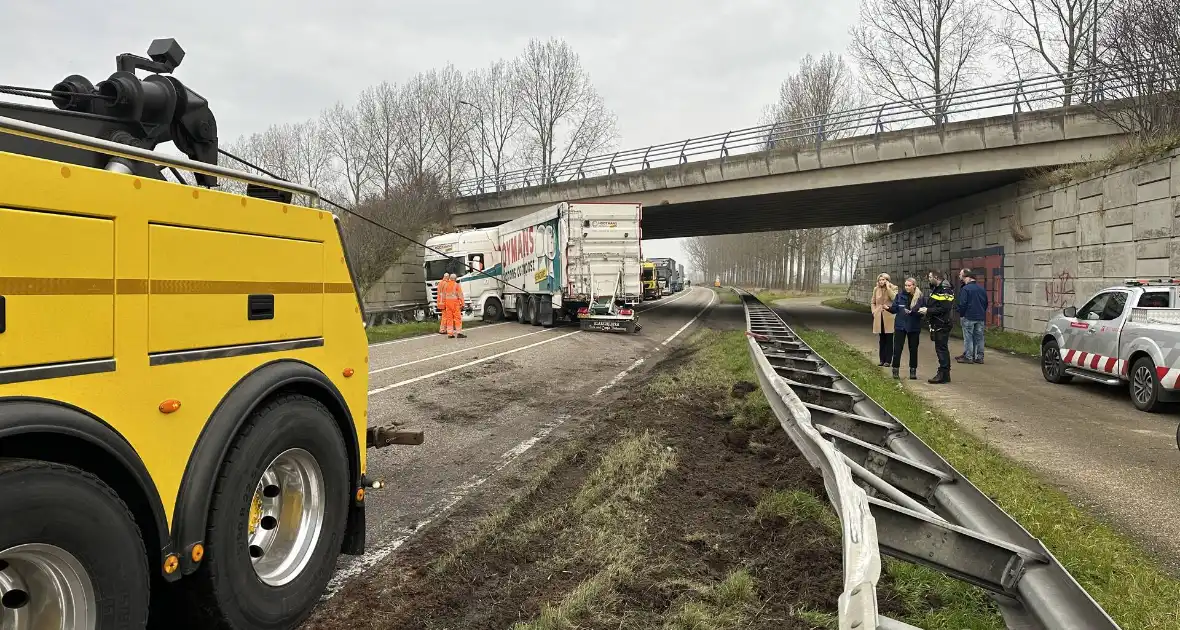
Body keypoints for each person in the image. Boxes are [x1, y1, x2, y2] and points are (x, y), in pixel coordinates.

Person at [920, 270, 956, 383]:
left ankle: (942, 374)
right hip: (938, 322)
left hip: (942, 323)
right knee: (941, 348)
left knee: (941, 349)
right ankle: (945, 374)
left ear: (936, 277)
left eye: (930, 277)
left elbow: (945, 308)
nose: (929, 279)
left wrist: (928, 310)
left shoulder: (945, 289)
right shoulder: (938, 288)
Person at [886, 277, 924, 380]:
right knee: (897, 349)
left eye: (909, 285)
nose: (907, 287)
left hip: (914, 326)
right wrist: (888, 308)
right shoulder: (899, 296)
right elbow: (895, 309)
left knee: (913, 349)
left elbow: (923, 311)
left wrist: (916, 312)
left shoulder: (920, 297)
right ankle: (895, 370)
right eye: (906, 285)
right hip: (900, 326)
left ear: (914, 286)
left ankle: (913, 371)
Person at [955, 269, 988, 364]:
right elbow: (985, 303)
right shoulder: (981, 288)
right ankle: (979, 357)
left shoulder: (966, 289)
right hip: (980, 317)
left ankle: (969, 357)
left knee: (968, 337)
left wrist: (961, 313)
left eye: (961, 275)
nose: (960, 277)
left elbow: (962, 304)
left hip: (968, 316)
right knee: (979, 337)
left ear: (968, 277)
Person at [870, 273, 898, 366]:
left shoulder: (894, 288)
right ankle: (882, 359)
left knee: (889, 339)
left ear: (887, 280)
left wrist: (888, 288)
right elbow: (873, 302)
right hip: (879, 316)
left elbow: (894, 298)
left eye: (883, 280)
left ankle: (888, 360)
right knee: (881, 339)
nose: (881, 281)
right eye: (880, 280)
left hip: (889, 316)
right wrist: (874, 311)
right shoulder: (876, 289)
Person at [446, 272, 467, 339]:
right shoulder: (456, 285)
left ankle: (450, 334)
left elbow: (443, 295)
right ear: (455, 279)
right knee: (457, 318)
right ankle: (459, 333)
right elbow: (460, 295)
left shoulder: (446, 285)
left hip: (448, 304)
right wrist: (463, 304)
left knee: (449, 319)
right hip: (455, 304)